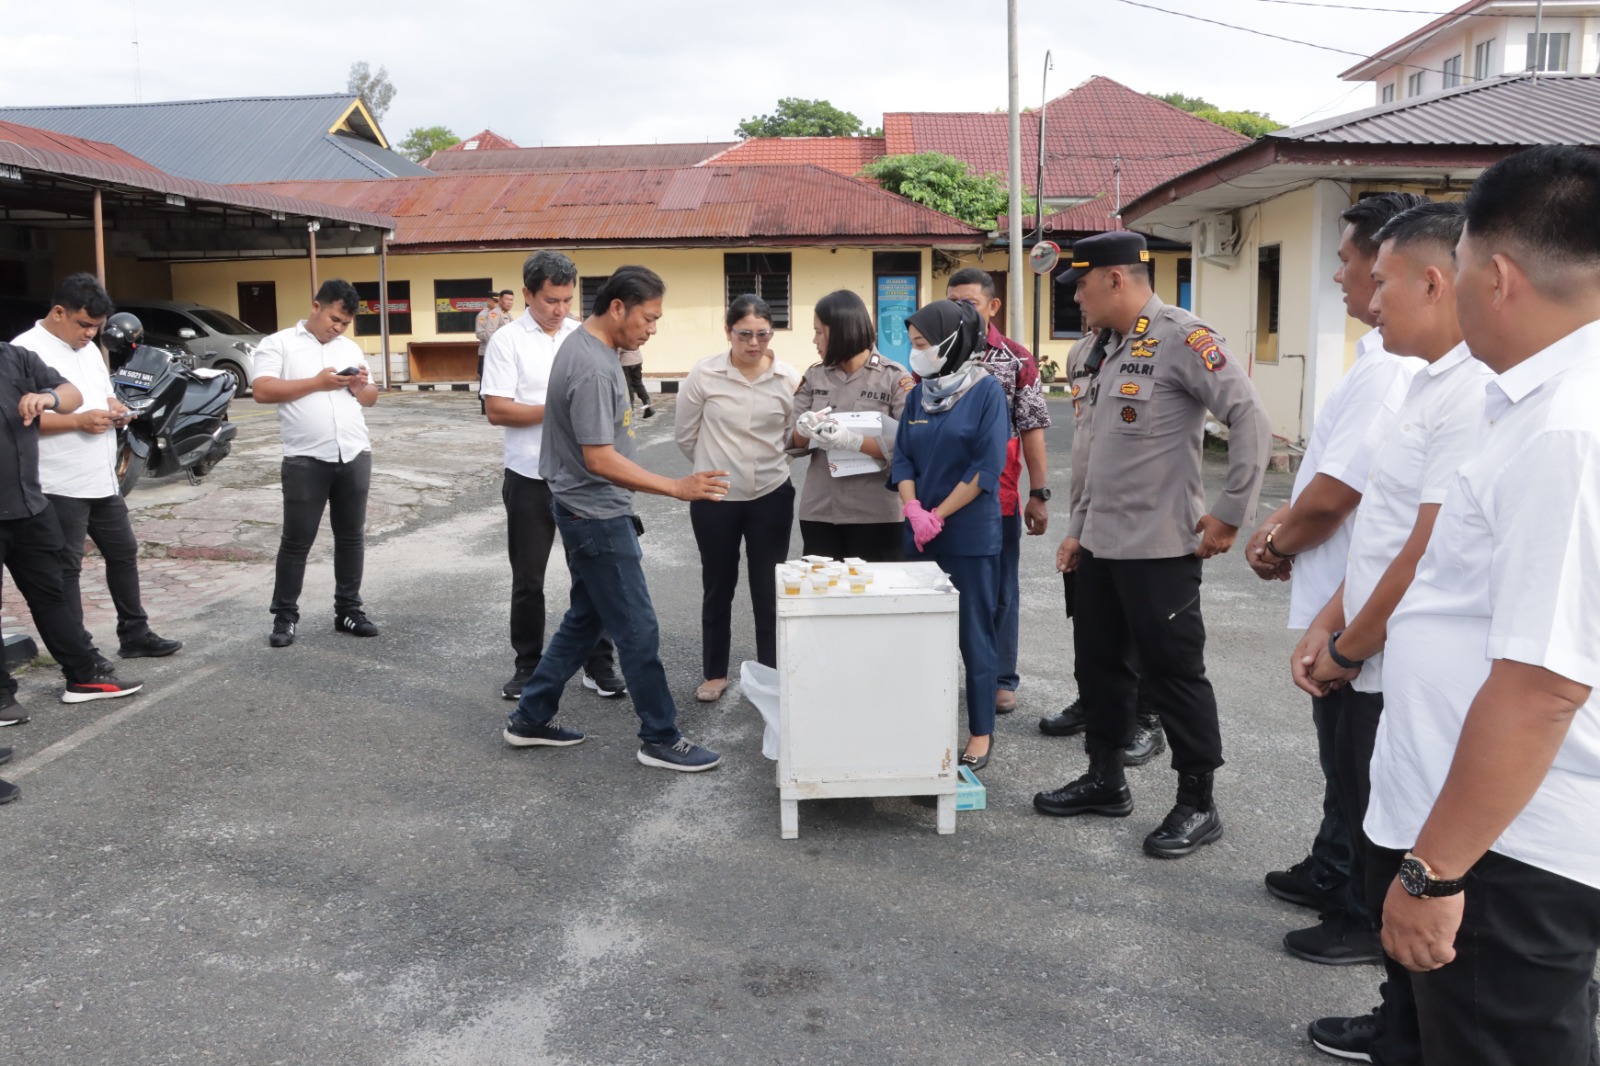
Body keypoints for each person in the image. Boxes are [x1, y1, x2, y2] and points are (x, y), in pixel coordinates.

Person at [1352, 145, 1600, 1065]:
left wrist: (1434, 869)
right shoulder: (1533, 406)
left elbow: (1543, 684)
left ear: (1494, 276)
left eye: (1453, 269)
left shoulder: (1568, 427)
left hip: (1507, 853)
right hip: (1479, 829)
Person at [1292, 202, 1489, 1063]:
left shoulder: (1477, 394)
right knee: (1378, 844)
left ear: (1434, 282)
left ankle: (1413, 1031)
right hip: (1374, 658)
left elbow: (1425, 547)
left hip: (1404, 667)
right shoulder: (1420, 378)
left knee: (1412, 861)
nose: (1367, 299)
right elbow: (1379, 528)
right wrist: (1333, 617)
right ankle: (1398, 1021)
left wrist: (1347, 646)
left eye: (1381, 281)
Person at [1032, 229, 1270, 858]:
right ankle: (1105, 778)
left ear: (1116, 278)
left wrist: (1227, 513)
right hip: (1101, 544)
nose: (1076, 299)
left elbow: (1249, 417)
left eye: (1080, 285)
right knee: (1100, 669)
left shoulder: (1184, 338)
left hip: (1162, 545)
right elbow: (1092, 452)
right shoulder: (1099, 348)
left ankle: (1197, 803)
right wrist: (1078, 530)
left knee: (1174, 677)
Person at [1245, 193, 1427, 967]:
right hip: (1342, 597)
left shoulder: (1393, 371)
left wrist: (1277, 538)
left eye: (1354, 264)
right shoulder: (1378, 364)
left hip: (1363, 614)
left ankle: (1357, 905)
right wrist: (1284, 531)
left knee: (1361, 766)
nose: (1346, 281)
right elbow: (1326, 473)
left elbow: (1341, 493)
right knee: (1340, 758)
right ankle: (1334, 869)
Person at [502, 266, 730, 772]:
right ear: (619, 307)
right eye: (649, 318)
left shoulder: (595, 350)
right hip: (595, 514)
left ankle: (530, 718)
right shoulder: (590, 365)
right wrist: (676, 486)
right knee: (638, 629)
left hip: (590, 508)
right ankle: (659, 736)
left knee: (586, 621)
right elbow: (599, 458)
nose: (652, 328)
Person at [482, 251, 626, 702]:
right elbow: (497, 410)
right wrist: (559, 411)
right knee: (529, 579)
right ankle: (528, 665)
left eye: (566, 299)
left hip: (582, 477)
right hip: (529, 476)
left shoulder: (582, 336)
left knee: (592, 574)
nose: (560, 309)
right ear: (526, 294)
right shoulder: (507, 341)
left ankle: (598, 662)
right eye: (550, 300)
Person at [15, 276, 183, 665]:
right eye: (84, 325)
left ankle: (135, 633)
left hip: (101, 475)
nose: (91, 334)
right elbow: (20, 420)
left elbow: (101, 390)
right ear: (59, 312)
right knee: (66, 568)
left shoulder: (88, 348)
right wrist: (78, 421)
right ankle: (80, 652)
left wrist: (115, 409)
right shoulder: (25, 350)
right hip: (58, 480)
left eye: (97, 327)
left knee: (123, 552)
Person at [1036, 328, 1165, 768]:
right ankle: (1094, 703)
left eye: (1083, 290)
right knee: (1091, 622)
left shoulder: (1160, 344)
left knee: (1141, 622)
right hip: (1086, 500)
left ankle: (1146, 717)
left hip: (1140, 515)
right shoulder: (1083, 351)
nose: (1079, 300)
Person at [0, 336, 142, 728]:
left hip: (29, 503)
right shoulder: (28, 343)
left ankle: (82, 675)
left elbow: (71, 392)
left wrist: (49, 398)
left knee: (52, 594)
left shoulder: (14, 356)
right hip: (39, 494)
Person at [891, 299, 1007, 771]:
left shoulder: (987, 392)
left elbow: (986, 467)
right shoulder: (920, 393)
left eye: (922, 344)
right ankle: (923, 722)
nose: (916, 353)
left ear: (951, 342)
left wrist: (939, 513)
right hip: (919, 535)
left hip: (968, 534)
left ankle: (980, 733)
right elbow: (902, 458)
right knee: (919, 636)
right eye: (913, 344)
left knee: (973, 635)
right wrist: (914, 508)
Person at [675, 295, 799, 702]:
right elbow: (685, 435)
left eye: (762, 334)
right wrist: (713, 466)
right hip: (715, 497)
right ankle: (715, 672)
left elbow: (795, 436)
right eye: (744, 334)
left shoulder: (787, 379)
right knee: (718, 583)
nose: (753, 343)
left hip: (771, 494)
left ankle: (770, 673)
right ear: (728, 332)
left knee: (768, 587)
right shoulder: (705, 374)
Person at [945, 268, 1051, 717]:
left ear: (992, 306)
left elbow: (1032, 429)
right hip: (941, 494)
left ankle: (1001, 677)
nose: (958, 311)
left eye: (967, 302)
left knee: (1000, 590)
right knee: (943, 588)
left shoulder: (1014, 359)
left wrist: (1039, 492)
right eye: (952, 302)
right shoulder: (938, 351)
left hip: (997, 496)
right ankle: (943, 672)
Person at [253, 279, 380, 648]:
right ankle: (285, 617)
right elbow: (261, 390)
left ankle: (348, 610)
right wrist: (316, 383)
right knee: (296, 540)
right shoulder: (279, 344)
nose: (337, 327)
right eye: (334, 318)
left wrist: (360, 387)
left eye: (344, 323)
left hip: (354, 452)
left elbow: (370, 398)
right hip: (306, 458)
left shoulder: (350, 347)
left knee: (352, 537)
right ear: (316, 306)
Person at [787, 289, 912, 562]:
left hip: (877, 511)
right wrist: (802, 430)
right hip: (822, 510)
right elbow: (790, 443)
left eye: (819, 332)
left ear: (842, 330)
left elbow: (912, 442)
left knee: (877, 597)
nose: (814, 339)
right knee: (825, 596)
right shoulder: (814, 375)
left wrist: (853, 442)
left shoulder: (893, 378)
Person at [618, 347, 652, 418]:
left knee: (627, 386)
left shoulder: (622, 335)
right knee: (638, 384)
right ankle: (648, 406)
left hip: (626, 362)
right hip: (637, 359)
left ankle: (630, 408)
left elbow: (618, 348)